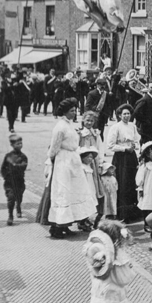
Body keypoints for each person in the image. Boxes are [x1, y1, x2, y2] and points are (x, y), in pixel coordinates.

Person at [81, 220, 139, 303]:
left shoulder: (94, 250)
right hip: (114, 296)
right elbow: (124, 279)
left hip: (98, 294)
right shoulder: (118, 256)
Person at [47, 99, 97, 238]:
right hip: (63, 161)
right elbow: (54, 148)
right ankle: (57, 226)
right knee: (63, 191)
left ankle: (67, 224)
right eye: (71, 111)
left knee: (74, 192)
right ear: (64, 112)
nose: (74, 113)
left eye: (75, 110)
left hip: (73, 160)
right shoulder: (60, 127)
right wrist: (50, 159)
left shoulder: (70, 124)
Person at [106, 104, 140, 222]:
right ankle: (122, 213)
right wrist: (124, 148)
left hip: (131, 157)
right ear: (119, 115)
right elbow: (110, 145)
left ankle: (132, 212)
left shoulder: (132, 126)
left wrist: (135, 146)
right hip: (121, 159)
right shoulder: (116, 127)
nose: (126, 116)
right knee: (123, 183)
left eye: (128, 114)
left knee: (132, 182)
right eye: (124, 114)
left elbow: (136, 139)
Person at [78, 111, 105, 210]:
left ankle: (92, 208)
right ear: (83, 120)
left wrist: (100, 162)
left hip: (93, 161)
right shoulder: (80, 133)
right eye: (87, 120)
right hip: (82, 162)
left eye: (92, 121)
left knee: (93, 184)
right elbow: (76, 147)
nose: (89, 123)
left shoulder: (96, 133)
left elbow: (100, 148)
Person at [1, 133, 28, 226]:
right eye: (17, 144)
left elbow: (24, 166)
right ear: (12, 145)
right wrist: (5, 176)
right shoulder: (8, 156)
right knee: (10, 198)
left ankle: (19, 207)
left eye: (21, 143)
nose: (20, 145)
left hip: (19, 181)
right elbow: (3, 168)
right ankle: (10, 216)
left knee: (19, 197)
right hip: (9, 182)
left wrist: (16, 166)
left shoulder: (23, 157)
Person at [78, 146, 101, 232]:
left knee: (90, 204)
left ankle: (85, 221)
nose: (90, 159)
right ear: (82, 157)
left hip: (90, 188)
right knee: (84, 205)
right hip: (84, 188)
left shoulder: (89, 167)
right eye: (88, 157)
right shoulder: (82, 167)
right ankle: (82, 222)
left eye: (91, 157)